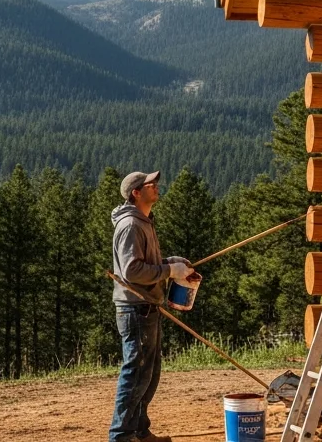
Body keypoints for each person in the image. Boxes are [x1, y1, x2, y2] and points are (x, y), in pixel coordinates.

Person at [110, 170, 194, 442]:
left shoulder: (144, 222)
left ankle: (139, 431)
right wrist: (169, 270)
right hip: (135, 309)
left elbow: (146, 262)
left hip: (147, 307)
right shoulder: (131, 226)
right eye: (150, 184)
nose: (156, 186)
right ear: (136, 192)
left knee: (149, 373)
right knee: (136, 373)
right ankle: (122, 436)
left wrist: (171, 262)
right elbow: (132, 271)